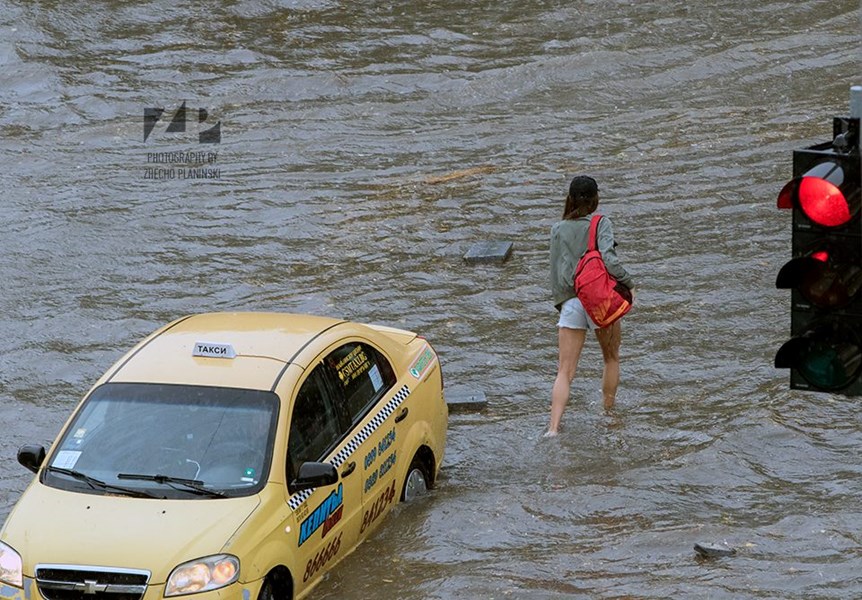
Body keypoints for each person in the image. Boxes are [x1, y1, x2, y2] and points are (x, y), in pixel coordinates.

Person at [545, 175, 635, 436]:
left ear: (570, 199)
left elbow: (555, 272)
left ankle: (553, 428)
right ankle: (608, 415)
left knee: (564, 371)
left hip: (571, 302)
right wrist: (629, 284)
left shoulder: (558, 229)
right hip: (599, 300)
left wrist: (563, 304)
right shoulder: (601, 223)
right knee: (611, 358)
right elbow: (609, 260)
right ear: (595, 199)